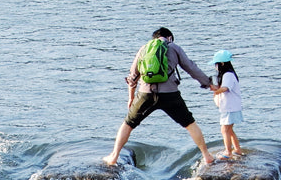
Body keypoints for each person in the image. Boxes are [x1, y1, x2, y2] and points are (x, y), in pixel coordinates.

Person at [103, 27, 216, 167]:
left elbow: (132, 77)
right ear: (169, 37)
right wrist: (208, 84)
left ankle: (114, 156)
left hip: (145, 94)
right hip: (170, 94)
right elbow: (191, 67)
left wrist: (131, 98)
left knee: (128, 124)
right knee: (189, 123)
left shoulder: (144, 49)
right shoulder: (173, 47)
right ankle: (207, 156)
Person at [209, 49, 243, 158]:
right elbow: (224, 88)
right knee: (229, 130)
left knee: (224, 129)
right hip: (231, 106)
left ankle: (228, 152)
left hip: (230, 107)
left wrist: (215, 90)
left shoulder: (228, 74)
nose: (215, 66)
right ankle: (237, 149)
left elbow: (224, 88)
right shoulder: (230, 74)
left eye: (216, 64)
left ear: (222, 63)